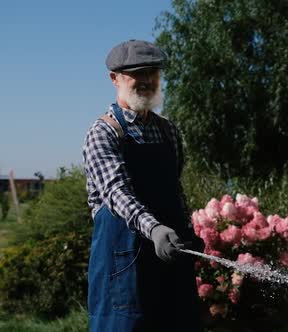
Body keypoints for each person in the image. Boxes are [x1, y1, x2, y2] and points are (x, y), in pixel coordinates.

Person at [83, 39, 204, 331]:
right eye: (137, 73)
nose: (147, 80)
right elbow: (117, 193)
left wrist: (187, 231)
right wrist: (155, 228)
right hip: (123, 266)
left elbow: (175, 189)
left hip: (170, 262)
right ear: (115, 79)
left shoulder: (168, 131)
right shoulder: (103, 133)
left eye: (152, 72)